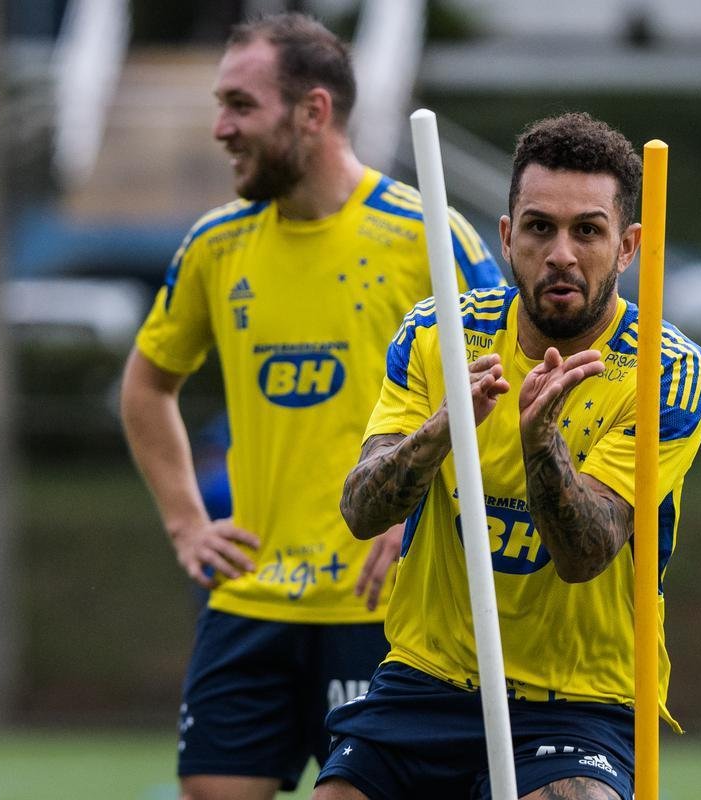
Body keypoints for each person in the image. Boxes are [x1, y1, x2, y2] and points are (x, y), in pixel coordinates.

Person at [119, 13, 504, 800]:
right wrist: (187, 523)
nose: (220, 127)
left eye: (241, 105)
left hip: (384, 612)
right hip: (251, 599)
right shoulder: (214, 246)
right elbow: (146, 385)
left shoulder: (427, 237)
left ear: (314, 112)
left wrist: (422, 512)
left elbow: (502, 396)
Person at [314, 112, 701, 800]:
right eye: (539, 228)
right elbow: (360, 509)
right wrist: (443, 430)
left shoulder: (666, 372)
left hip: (582, 696)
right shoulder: (437, 335)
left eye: (587, 230)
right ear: (506, 237)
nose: (562, 252)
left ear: (628, 247)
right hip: (428, 676)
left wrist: (541, 446)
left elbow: (586, 552)